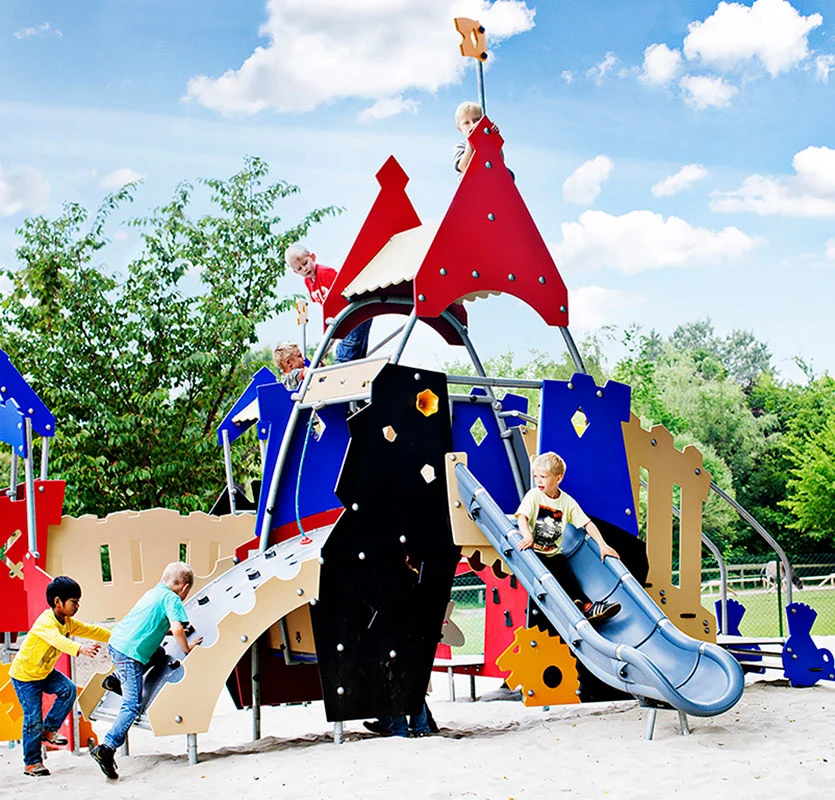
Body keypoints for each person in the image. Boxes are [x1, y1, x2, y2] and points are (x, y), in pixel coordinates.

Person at [90, 562, 202, 780]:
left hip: (117, 644)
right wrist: (187, 647)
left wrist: (168, 631)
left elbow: (151, 623)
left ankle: (115, 680)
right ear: (185, 588)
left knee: (159, 653)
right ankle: (106, 749)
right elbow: (179, 628)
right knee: (132, 705)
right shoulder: (172, 598)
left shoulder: (154, 592)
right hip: (130, 655)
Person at [9, 575, 110, 778]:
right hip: (25, 677)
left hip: (43, 673)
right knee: (32, 718)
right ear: (58, 602)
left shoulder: (67, 621)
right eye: (74, 601)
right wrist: (80, 648)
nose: (77, 606)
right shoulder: (46, 622)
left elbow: (92, 630)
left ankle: (49, 729)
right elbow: (57, 641)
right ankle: (32, 763)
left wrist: (118, 635)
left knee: (68, 689)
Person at [515, 452, 622, 623]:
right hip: (532, 552)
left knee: (566, 574)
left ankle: (585, 606)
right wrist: (527, 535)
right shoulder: (533, 495)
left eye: (543, 476)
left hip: (553, 553)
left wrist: (602, 545)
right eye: (536, 476)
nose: (538, 481)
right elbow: (522, 517)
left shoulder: (567, 502)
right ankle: (576, 604)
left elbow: (588, 524)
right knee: (553, 576)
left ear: (558, 478)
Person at [284, 243, 372, 363]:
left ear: (313, 257)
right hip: (344, 318)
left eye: (305, 263)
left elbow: (343, 295)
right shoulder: (308, 282)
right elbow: (327, 309)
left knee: (344, 356)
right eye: (299, 268)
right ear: (296, 272)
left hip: (354, 313)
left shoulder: (325, 273)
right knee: (355, 355)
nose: (304, 269)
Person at [453, 101, 501, 176]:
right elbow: (464, 167)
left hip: (488, 178)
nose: (473, 124)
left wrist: (494, 138)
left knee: (509, 173)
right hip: (471, 183)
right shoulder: (461, 145)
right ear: (460, 129)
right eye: (467, 123)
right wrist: (471, 141)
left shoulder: (486, 142)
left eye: (477, 120)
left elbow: (500, 161)